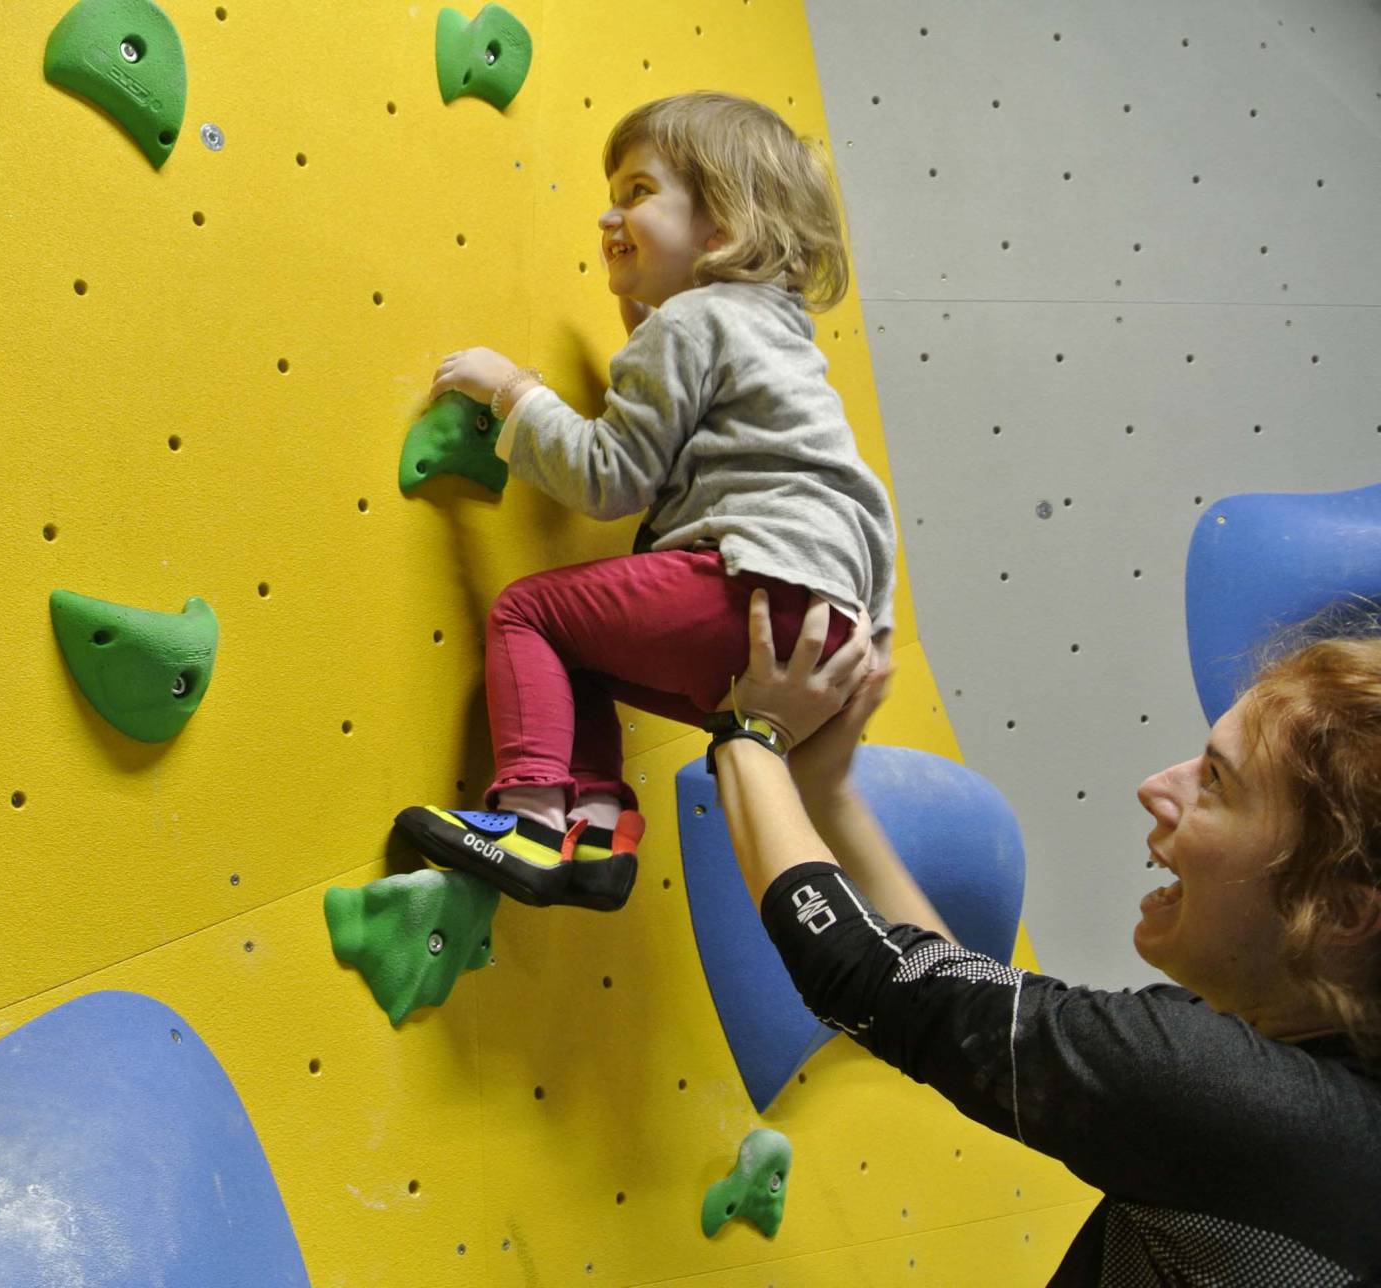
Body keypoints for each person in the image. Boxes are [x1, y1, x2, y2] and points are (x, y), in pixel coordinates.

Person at [714, 593, 1381, 1285]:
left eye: (1217, 782)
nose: (1158, 787)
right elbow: (951, 1000)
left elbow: (863, 974)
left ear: (1337, 911)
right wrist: (825, 789)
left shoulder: (1233, 1097)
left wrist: (748, 728)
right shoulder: (1324, 1110)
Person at [395, 91, 896, 912]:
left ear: (722, 231)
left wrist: (514, 393)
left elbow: (608, 478)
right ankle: (591, 835)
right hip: (829, 630)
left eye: (636, 192)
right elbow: (860, 499)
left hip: (748, 586)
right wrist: (873, 634)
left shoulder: (694, 323)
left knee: (529, 614)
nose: (608, 214)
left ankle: (525, 816)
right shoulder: (782, 344)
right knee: (583, 651)